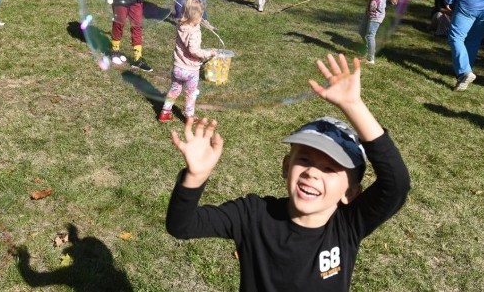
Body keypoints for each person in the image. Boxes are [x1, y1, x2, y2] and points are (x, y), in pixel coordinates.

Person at [166, 54, 410, 292]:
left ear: (350, 192)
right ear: (286, 166)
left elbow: (396, 183)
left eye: (330, 168)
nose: (313, 172)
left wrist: (354, 106)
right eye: (304, 160)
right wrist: (194, 178)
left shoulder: (348, 225)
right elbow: (182, 226)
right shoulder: (253, 215)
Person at [158, 0, 216, 123]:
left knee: (174, 89)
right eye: (201, 15)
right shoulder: (194, 32)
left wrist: (199, 23)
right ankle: (189, 116)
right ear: (195, 16)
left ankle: (165, 112)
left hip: (178, 67)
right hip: (190, 70)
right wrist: (207, 53)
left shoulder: (181, 25)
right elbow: (194, 50)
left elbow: (189, 28)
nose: (202, 18)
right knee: (191, 94)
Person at [357, 0, 398, 64]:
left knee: (370, 35)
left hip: (377, 14)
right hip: (370, 10)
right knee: (362, 31)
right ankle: (369, 50)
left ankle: (371, 59)